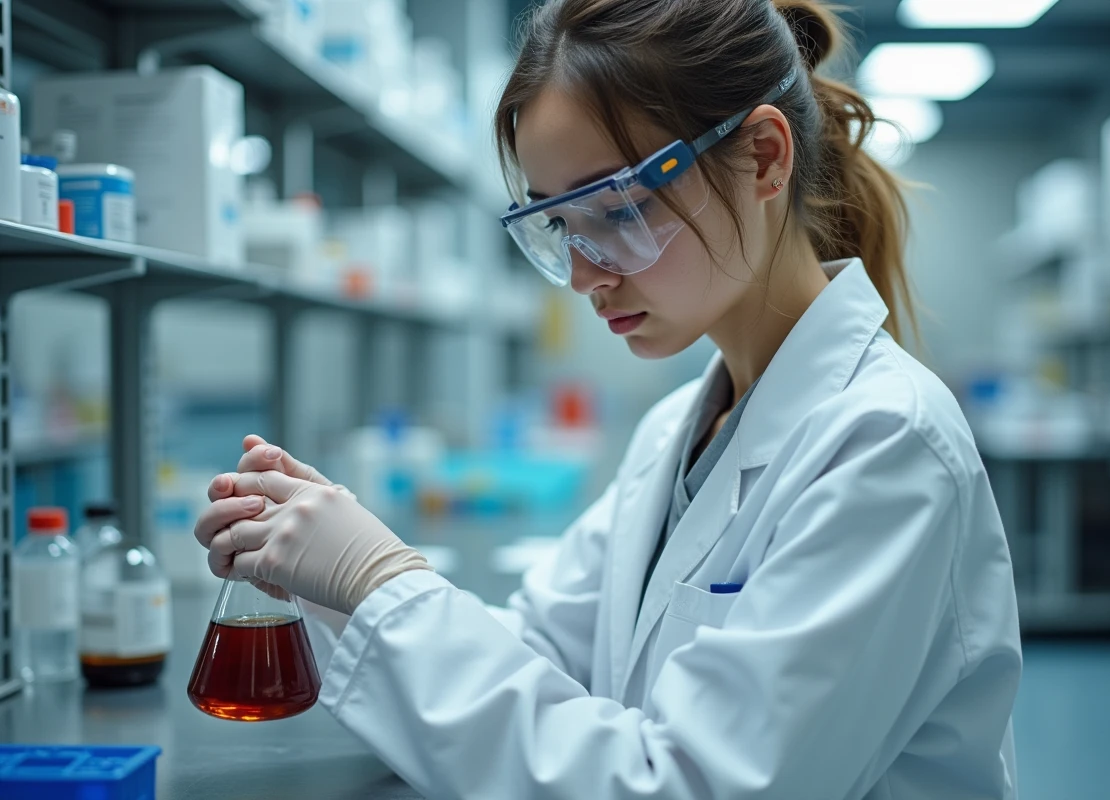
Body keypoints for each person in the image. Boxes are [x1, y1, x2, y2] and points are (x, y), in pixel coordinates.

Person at [194, 0, 1021, 796]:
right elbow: (545, 652)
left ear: (764, 159)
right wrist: (331, 578)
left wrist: (381, 583)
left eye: (617, 208)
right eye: (558, 225)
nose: (587, 273)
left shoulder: (887, 445)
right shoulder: (678, 432)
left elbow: (692, 786)